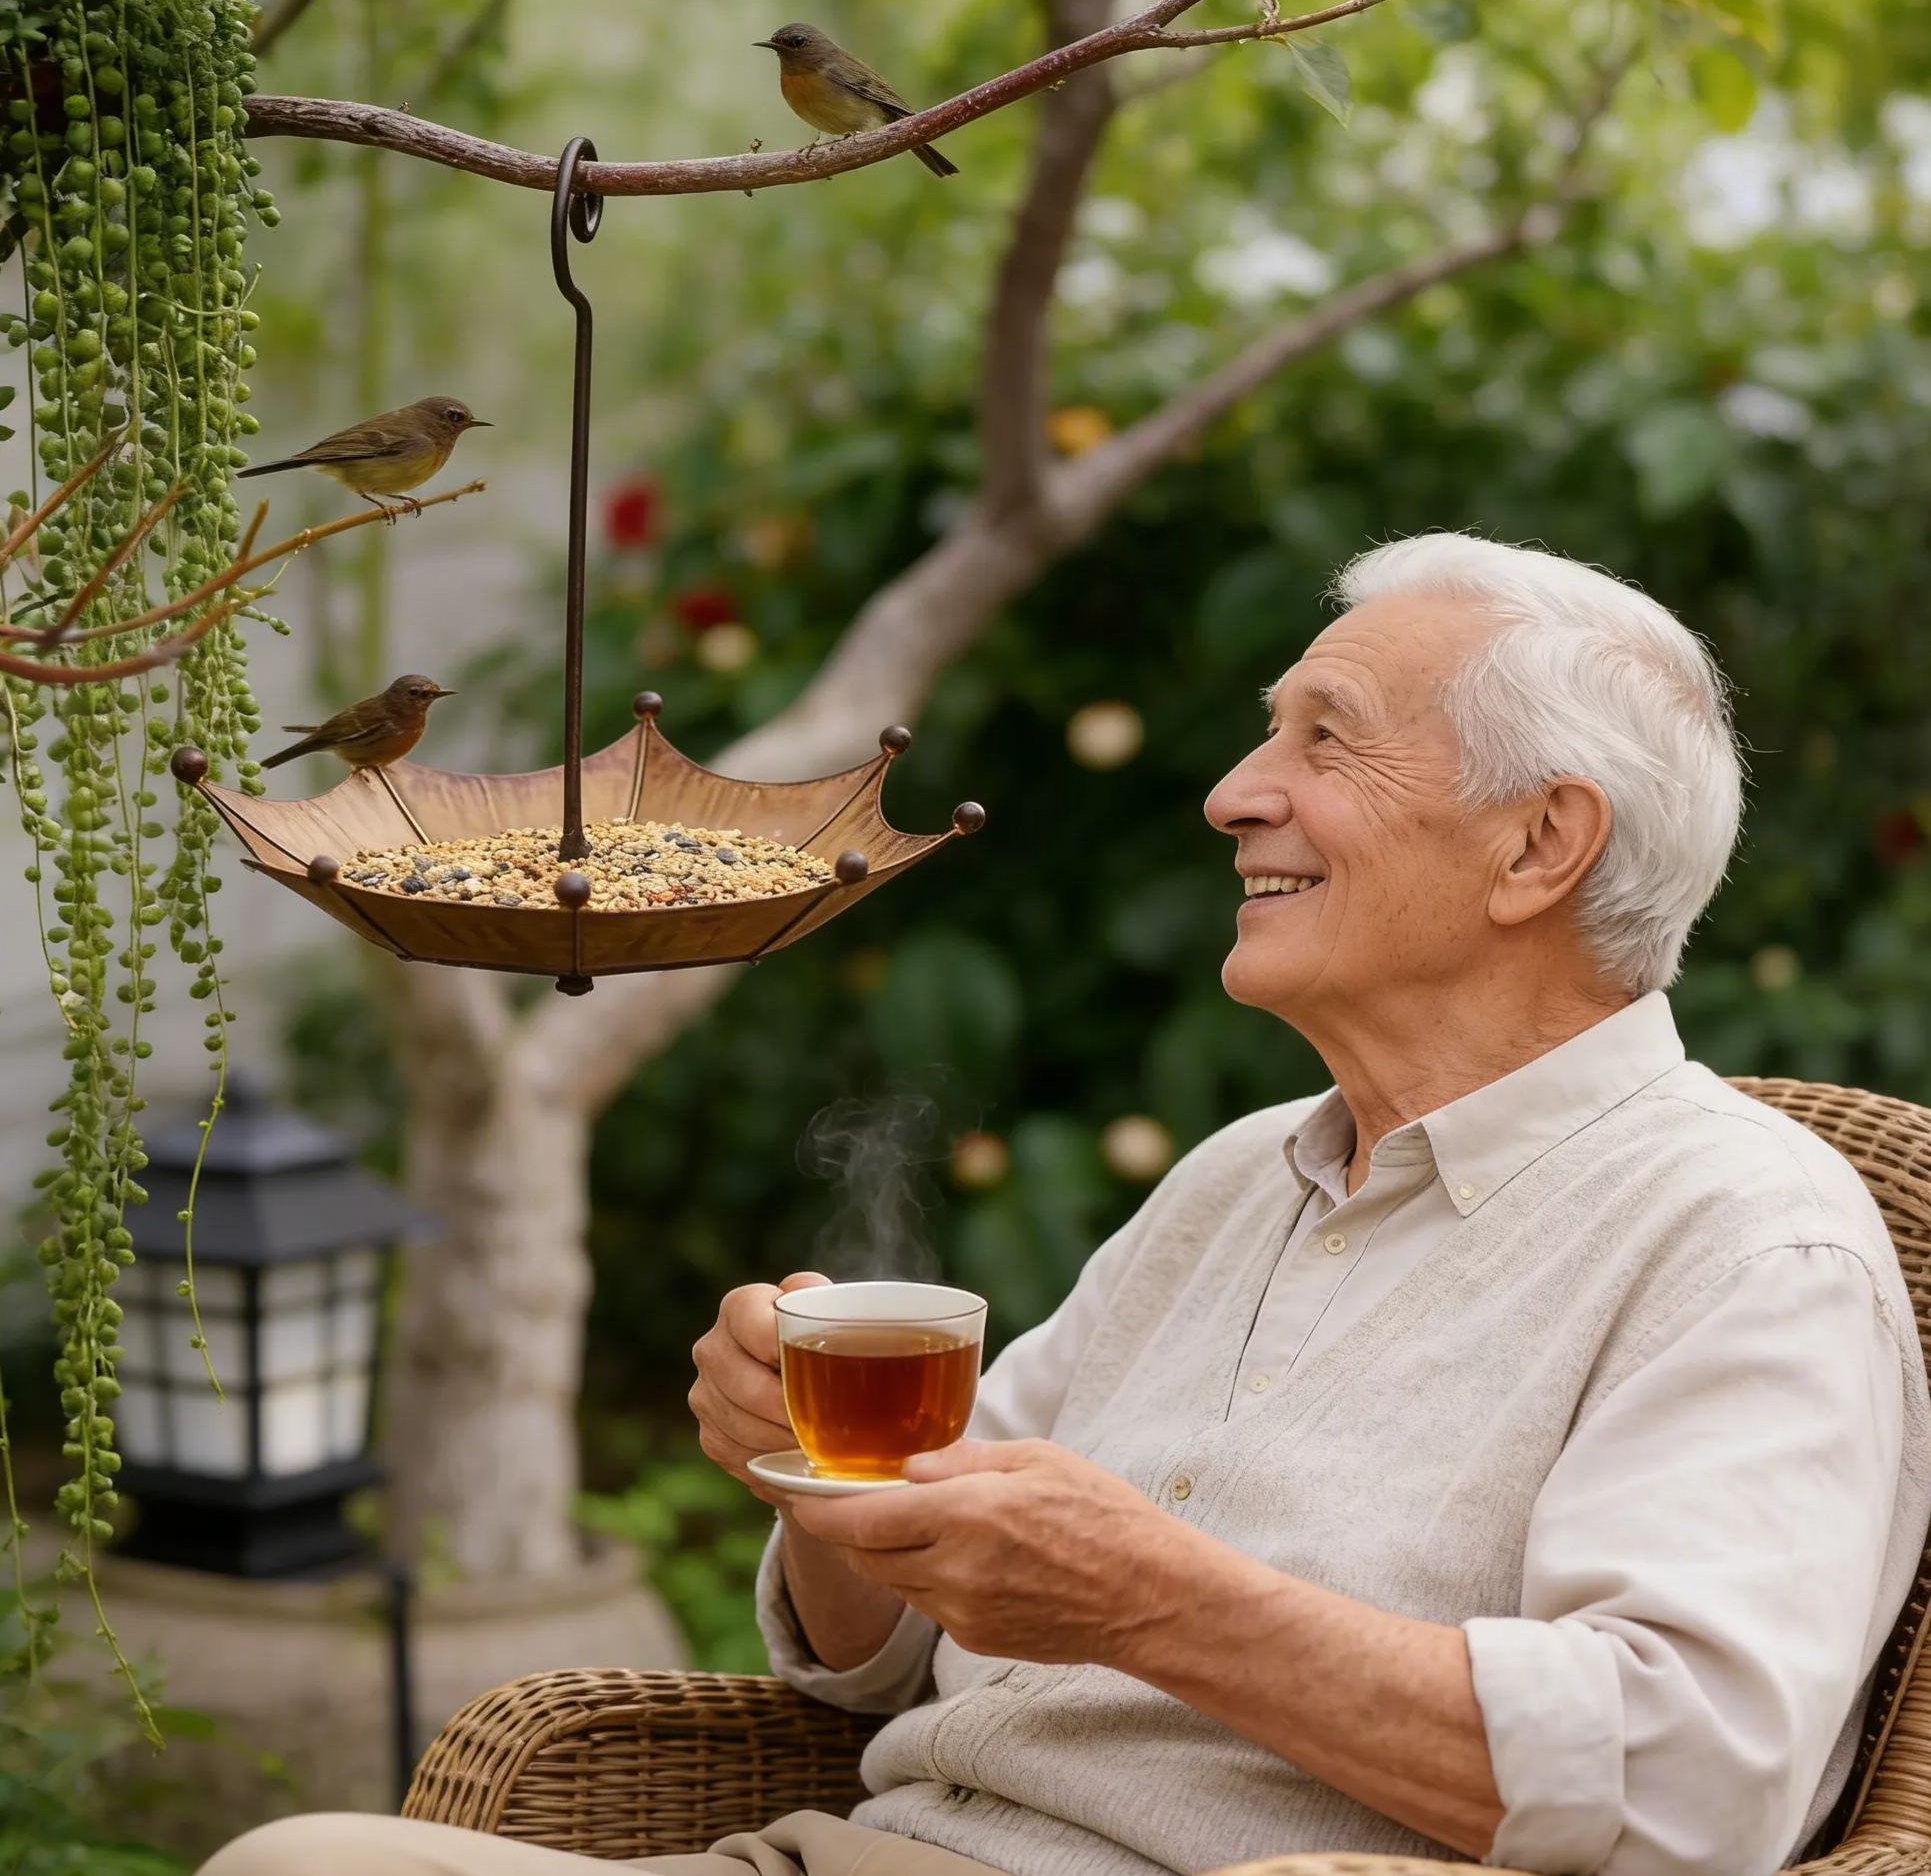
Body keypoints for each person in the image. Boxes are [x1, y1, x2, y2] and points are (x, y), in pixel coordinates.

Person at [204, 533, 1931, 1876]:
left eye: (1322, 738)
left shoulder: (1742, 1240)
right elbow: (886, 1655)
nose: (1232, 792)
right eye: (1266, 733)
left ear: (1540, 846)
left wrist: (1152, 1602)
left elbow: (1691, 1781)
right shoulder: (1232, 1180)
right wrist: (824, 1493)